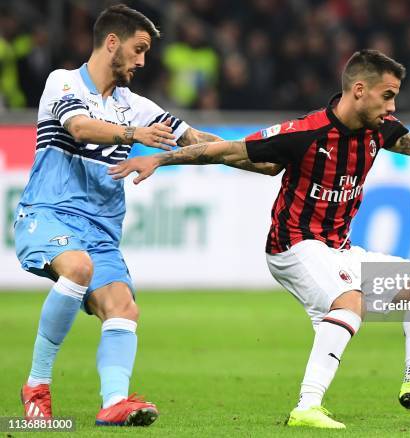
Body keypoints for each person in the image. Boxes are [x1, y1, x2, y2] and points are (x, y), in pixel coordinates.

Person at [110, 49, 410, 429]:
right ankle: (307, 407)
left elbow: (406, 140)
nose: (393, 105)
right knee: (349, 303)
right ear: (359, 90)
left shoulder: (381, 127)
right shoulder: (305, 133)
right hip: (293, 246)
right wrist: (160, 159)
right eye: (388, 95)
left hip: (337, 249)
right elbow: (229, 150)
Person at [14, 4, 276, 426]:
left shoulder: (135, 105)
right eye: (138, 49)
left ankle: (114, 403)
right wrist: (134, 135)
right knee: (77, 268)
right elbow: (79, 128)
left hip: (100, 230)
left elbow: (196, 139)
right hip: (49, 213)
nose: (142, 61)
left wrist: (253, 157)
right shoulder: (62, 82)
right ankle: (37, 386)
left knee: (123, 308)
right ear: (111, 42)